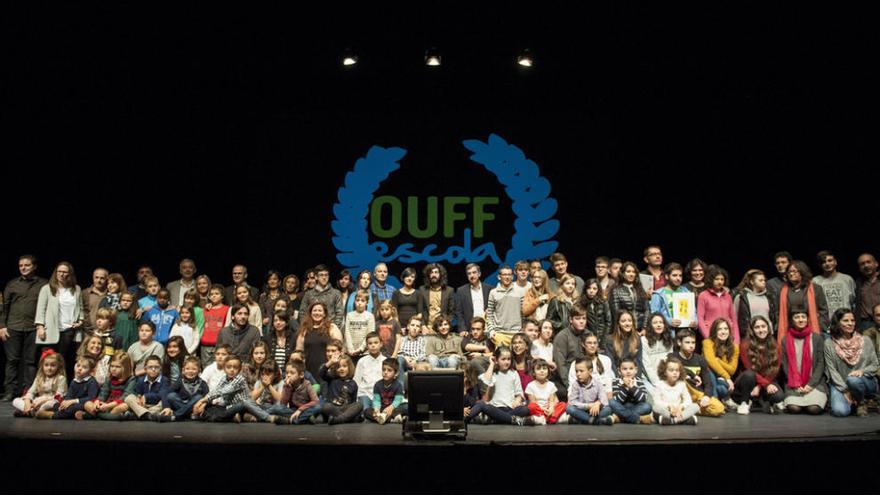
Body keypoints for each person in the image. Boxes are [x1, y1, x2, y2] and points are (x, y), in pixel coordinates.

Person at [825, 308, 879, 417]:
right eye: (846, 321)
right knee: (840, 411)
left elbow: (874, 364)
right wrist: (845, 390)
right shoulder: (829, 343)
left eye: (852, 320)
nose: (850, 324)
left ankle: (861, 402)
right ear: (837, 322)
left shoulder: (865, 340)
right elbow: (831, 370)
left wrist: (862, 371)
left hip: (864, 382)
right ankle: (857, 399)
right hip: (840, 384)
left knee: (853, 380)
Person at [35, 262, 84, 378]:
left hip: (69, 329)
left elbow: (80, 308)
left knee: (63, 360)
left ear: (70, 274)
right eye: (59, 272)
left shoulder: (76, 289)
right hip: (50, 330)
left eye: (65, 272)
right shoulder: (47, 289)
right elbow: (41, 309)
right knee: (48, 362)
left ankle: (62, 388)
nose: (62, 274)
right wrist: (40, 327)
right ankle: (44, 387)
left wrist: (81, 321)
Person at [466, 346, 533, 426]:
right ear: (497, 360)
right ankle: (513, 420)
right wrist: (491, 364)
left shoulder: (514, 373)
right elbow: (486, 381)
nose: (507, 362)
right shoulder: (492, 373)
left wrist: (517, 400)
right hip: (495, 408)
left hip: (510, 408)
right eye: (503, 359)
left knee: (525, 409)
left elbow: (519, 393)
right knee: (481, 404)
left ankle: (496, 419)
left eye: (509, 359)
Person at [733, 316, 784, 415]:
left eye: (763, 326)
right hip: (748, 382)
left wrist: (760, 387)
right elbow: (750, 370)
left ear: (768, 328)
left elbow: (774, 370)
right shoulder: (745, 345)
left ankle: (758, 402)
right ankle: (744, 402)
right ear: (752, 330)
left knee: (778, 396)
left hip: (766, 381)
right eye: (757, 327)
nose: (761, 330)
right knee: (749, 375)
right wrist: (765, 385)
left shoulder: (775, 345)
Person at [780, 309, 828, 415]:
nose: (801, 320)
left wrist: (811, 384)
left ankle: (814, 398)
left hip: (814, 383)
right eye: (797, 317)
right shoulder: (785, 340)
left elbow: (821, 363)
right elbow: (785, 365)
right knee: (794, 408)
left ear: (807, 319)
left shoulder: (817, 338)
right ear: (792, 321)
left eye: (803, 317)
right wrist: (796, 384)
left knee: (814, 409)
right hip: (794, 383)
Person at [673, 328, 724, 417]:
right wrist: (690, 374)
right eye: (687, 342)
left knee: (719, 408)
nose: (691, 345)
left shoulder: (699, 359)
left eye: (693, 342)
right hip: (680, 394)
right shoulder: (673, 357)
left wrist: (707, 396)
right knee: (680, 377)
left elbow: (708, 381)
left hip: (696, 394)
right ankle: (690, 408)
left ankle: (692, 409)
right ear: (679, 343)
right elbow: (676, 370)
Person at [777, 260, 830, 345]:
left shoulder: (816, 289)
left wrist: (820, 326)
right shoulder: (783, 291)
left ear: (802, 272)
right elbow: (779, 312)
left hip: (811, 329)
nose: (791, 274)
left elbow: (823, 310)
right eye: (789, 272)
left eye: (794, 271)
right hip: (791, 331)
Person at [194, 354, 249, 422]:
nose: (232, 370)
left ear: (239, 369)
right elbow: (216, 389)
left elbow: (224, 391)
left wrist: (203, 400)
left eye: (235, 367)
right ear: (224, 368)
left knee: (240, 405)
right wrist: (204, 400)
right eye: (229, 367)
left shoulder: (240, 379)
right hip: (227, 407)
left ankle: (228, 417)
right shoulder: (224, 378)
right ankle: (231, 416)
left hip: (238, 407)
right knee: (210, 407)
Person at [296, 301, 343, 380]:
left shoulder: (332, 327)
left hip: (328, 370)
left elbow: (340, 348)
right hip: (309, 369)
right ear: (310, 313)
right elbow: (298, 351)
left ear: (324, 314)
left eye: (320, 310)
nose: (317, 313)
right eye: (314, 310)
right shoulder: (305, 329)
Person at [12, 350, 66, 417]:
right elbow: (31, 392)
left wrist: (41, 402)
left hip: (51, 400)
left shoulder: (61, 378)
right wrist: (27, 402)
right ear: (42, 366)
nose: (49, 368)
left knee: (48, 405)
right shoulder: (39, 378)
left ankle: (30, 412)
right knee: (16, 400)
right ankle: (30, 411)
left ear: (58, 366)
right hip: (38, 400)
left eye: (53, 365)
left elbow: (59, 396)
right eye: (46, 365)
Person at [83, 350, 134, 420]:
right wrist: (98, 402)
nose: (113, 369)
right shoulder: (109, 378)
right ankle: (110, 416)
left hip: (117, 405)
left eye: (117, 367)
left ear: (125, 368)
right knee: (87, 404)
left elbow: (125, 397)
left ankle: (96, 415)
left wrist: (108, 406)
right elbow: (103, 393)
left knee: (124, 406)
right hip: (106, 404)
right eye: (112, 366)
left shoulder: (131, 379)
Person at [650, 263, 698, 335]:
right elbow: (654, 315)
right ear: (667, 276)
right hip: (667, 333)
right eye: (674, 275)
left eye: (680, 276)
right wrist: (669, 321)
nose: (678, 278)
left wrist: (695, 322)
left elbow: (693, 312)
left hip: (684, 332)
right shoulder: (658, 294)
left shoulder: (686, 292)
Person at [552, 305, 588, 399]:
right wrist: (571, 386)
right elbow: (561, 365)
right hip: (566, 378)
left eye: (584, 318)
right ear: (571, 319)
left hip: (585, 376)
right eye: (577, 318)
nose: (581, 321)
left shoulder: (588, 334)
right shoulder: (562, 336)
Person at [46, 355, 99, 420]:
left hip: (84, 404)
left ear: (91, 371)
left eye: (84, 367)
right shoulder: (74, 381)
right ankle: (69, 414)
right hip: (73, 403)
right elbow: (69, 395)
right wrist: (65, 403)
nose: (79, 368)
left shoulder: (91, 381)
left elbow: (92, 397)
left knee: (74, 408)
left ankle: (53, 415)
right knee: (56, 405)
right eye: (78, 365)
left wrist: (73, 401)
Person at [697, 265, 740, 345]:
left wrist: (736, 339)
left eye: (722, 279)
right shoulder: (703, 295)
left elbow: (733, 319)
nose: (720, 282)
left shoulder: (728, 296)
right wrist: (708, 337)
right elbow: (700, 319)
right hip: (712, 337)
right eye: (717, 279)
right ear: (711, 280)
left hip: (727, 337)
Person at [702, 318, 739, 410]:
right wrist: (727, 377)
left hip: (721, 379)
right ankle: (715, 401)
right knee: (709, 369)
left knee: (723, 388)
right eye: (719, 329)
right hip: (706, 376)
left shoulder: (735, 347)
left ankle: (719, 400)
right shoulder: (707, 343)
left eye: (726, 329)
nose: (723, 332)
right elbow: (710, 361)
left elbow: (732, 370)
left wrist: (719, 361)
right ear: (715, 331)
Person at [565, 357, 614, 425]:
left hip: (595, 411)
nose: (578, 374)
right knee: (569, 408)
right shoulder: (576, 384)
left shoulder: (598, 383)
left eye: (581, 371)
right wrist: (588, 406)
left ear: (590, 371)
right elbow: (572, 402)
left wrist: (597, 403)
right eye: (576, 371)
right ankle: (595, 421)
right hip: (582, 410)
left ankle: (582, 420)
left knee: (608, 409)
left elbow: (604, 400)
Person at [270, 360, 321, 425]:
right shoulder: (287, 385)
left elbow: (315, 401)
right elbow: (283, 404)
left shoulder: (307, 384)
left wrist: (300, 410)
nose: (288, 375)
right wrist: (287, 387)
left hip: (305, 410)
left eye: (292, 373)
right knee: (277, 408)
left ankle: (290, 421)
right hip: (292, 410)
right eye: (287, 372)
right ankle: (304, 419)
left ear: (301, 375)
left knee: (318, 407)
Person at [652, 357, 699, 425]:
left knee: (695, 406)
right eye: (671, 370)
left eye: (677, 370)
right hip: (667, 411)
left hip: (679, 411)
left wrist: (681, 407)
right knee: (655, 408)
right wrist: (669, 406)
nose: (675, 373)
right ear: (665, 372)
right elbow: (657, 402)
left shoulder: (681, 384)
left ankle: (673, 420)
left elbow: (688, 400)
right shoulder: (659, 385)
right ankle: (683, 419)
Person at [125, 355, 171, 421]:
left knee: (163, 403)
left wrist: (146, 396)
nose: (153, 369)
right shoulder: (141, 380)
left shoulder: (164, 380)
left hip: (155, 405)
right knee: (129, 398)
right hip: (143, 405)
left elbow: (162, 395)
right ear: (145, 369)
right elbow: (136, 392)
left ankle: (139, 415)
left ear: (160, 368)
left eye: (156, 367)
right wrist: (138, 397)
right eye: (150, 367)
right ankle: (148, 415)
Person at [733, 269, 777, 339]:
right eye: (760, 280)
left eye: (764, 280)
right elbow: (734, 317)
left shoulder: (769, 297)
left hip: (767, 336)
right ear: (752, 282)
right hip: (750, 336)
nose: (764, 282)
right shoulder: (742, 298)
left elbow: (773, 317)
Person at [320, 354, 363, 425]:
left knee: (359, 404)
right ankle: (349, 419)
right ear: (335, 369)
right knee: (326, 406)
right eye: (338, 367)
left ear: (349, 368)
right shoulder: (332, 379)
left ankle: (339, 419)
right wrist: (330, 362)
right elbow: (321, 373)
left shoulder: (353, 383)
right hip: (333, 408)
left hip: (345, 408)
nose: (341, 369)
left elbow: (353, 401)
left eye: (344, 366)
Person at [162, 355, 208, 421]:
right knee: (171, 396)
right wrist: (167, 407)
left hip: (195, 407)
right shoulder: (180, 381)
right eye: (187, 369)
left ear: (199, 371)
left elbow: (208, 396)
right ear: (183, 370)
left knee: (199, 397)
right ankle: (188, 415)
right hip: (182, 404)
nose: (190, 371)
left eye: (194, 369)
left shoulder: (202, 383)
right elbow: (168, 392)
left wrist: (203, 404)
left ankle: (175, 415)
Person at [812, 251, 856, 319]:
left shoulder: (847, 279)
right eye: (823, 262)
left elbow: (854, 302)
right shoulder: (815, 281)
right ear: (820, 265)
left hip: (845, 320)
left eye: (830, 260)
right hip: (825, 320)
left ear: (835, 262)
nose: (827, 264)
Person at [486, 265, 522, 346]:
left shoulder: (519, 291)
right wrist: (491, 330)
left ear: (512, 277)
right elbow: (490, 313)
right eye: (505, 275)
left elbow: (523, 313)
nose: (507, 277)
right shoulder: (493, 292)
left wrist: (523, 329)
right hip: (500, 333)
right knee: (502, 357)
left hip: (516, 332)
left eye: (509, 275)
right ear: (499, 277)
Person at [609, 358, 653, 424]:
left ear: (636, 370)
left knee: (647, 406)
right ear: (619, 371)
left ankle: (620, 418)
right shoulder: (616, 381)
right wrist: (625, 387)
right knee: (611, 402)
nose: (628, 371)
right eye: (625, 369)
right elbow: (618, 400)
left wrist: (632, 387)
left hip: (635, 406)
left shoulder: (639, 381)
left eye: (631, 368)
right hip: (622, 406)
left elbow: (643, 399)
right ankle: (638, 418)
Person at [609, 261, 650, 331]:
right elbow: (616, 313)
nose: (631, 274)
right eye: (628, 271)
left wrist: (644, 328)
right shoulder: (616, 290)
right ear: (622, 273)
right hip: (624, 330)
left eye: (633, 272)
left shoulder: (640, 290)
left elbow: (647, 310)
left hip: (640, 330)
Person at [641, 313, 674, 398]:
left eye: (661, 322)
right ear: (650, 325)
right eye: (655, 323)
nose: (659, 325)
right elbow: (647, 366)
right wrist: (658, 384)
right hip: (649, 378)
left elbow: (670, 362)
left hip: (666, 377)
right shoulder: (644, 341)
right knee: (657, 398)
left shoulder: (669, 339)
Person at [364, 358, 406, 424]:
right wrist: (377, 409)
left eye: (389, 370)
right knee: (367, 411)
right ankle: (390, 419)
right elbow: (376, 400)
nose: (385, 372)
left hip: (393, 408)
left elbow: (397, 400)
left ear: (396, 373)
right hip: (382, 409)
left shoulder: (398, 385)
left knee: (405, 407)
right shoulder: (377, 385)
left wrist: (391, 408)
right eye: (384, 370)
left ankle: (384, 418)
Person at [525, 358, 566, 425]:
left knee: (563, 404)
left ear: (548, 371)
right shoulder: (530, 386)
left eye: (544, 368)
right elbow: (533, 402)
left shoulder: (551, 385)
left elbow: (553, 400)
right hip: (539, 409)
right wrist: (543, 409)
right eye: (538, 369)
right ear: (533, 372)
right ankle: (550, 419)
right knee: (531, 406)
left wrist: (551, 408)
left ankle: (546, 419)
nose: (542, 371)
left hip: (549, 408)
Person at [454, 263, 492, 334]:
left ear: (479, 274)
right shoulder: (461, 291)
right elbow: (459, 312)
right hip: (469, 330)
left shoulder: (489, 289)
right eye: (469, 273)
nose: (472, 275)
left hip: (487, 328)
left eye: (474, 272)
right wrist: (462, 329)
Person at [353, 333, 386, 412]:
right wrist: (356, 398)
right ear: (367, 346)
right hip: (364, 393)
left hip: (379, 395)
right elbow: (356, 381)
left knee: (378, 409)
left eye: (376, 343)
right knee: (365, 410)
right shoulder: (362, 361)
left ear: (381, 344)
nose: (373, 345)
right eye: (370, 343)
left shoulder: (385, 361)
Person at [419, 263, 456, 332]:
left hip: (442, 329)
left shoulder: (449, 290)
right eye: (431, 272)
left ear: (441, 274)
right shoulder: (422, 290)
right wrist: (423, 325)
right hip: (426, 329)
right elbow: (419, 310)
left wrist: (444, 325)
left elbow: (452, 313)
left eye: (436, 272)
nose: (434, 275)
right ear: (428, 275)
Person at [200, 284, 229, 368]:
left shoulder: (227, 309)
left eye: (216, 293)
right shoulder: (206, 309)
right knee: (206, 368)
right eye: (211, 294)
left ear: (222, 296)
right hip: (205, 344)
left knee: (220, 367)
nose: (214, 296)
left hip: (219, 344)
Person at [344, 290, 375, 359]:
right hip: (350, 351)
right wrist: (351, 349)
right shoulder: (349, 315)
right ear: (354, 301)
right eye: (357, 300)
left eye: (362, 301)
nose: (359, 303)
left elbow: (370, 334)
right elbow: (347, 332)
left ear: (367, 302)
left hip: (365, 352)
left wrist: (361, 349)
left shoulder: (370, 316)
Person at [580, 278, 612, 345]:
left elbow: (608, 322)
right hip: (587, 338)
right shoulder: (581, 303)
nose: (591, 291)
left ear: (598, 290)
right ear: (585, 289)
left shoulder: (603, 302)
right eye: (589, 288)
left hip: (602, 337)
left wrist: (604, 339)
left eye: (594, 289)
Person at [391, 267, 423, 332]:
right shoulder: (396, 293)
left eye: (412, 277)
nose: (409, 279)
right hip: (400, 327)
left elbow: (420, 314)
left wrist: (413, 327)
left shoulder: (418, 293)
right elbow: (394, 313)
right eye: (407, 276)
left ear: (414, 279)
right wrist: (399, 328)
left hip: (414, 328)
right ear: (403, 278)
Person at [855, 253, 880, 330]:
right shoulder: (858, 283)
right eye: (862, 264)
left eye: (868, 262)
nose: (866, 265)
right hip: (866, 323)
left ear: (876, 264)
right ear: (859, 268)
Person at [81, 268, 108, 334]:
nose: (99, 280)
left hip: (106, 332)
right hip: (87, 332)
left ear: (106, 279)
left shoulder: (111, 294)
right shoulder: (85, 293)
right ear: (93, 278)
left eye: (102, 278)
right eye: (96, 277)